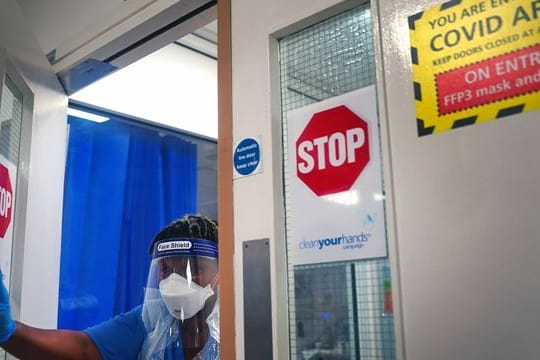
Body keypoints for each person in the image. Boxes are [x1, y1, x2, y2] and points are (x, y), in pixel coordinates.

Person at [0, 214, 220, 360]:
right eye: (165, 270)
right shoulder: (154, 319)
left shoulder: (242, 327)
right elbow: (83, 349)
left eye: (192, 268)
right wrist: (9, 331)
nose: (175, 282)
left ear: (223, 271)